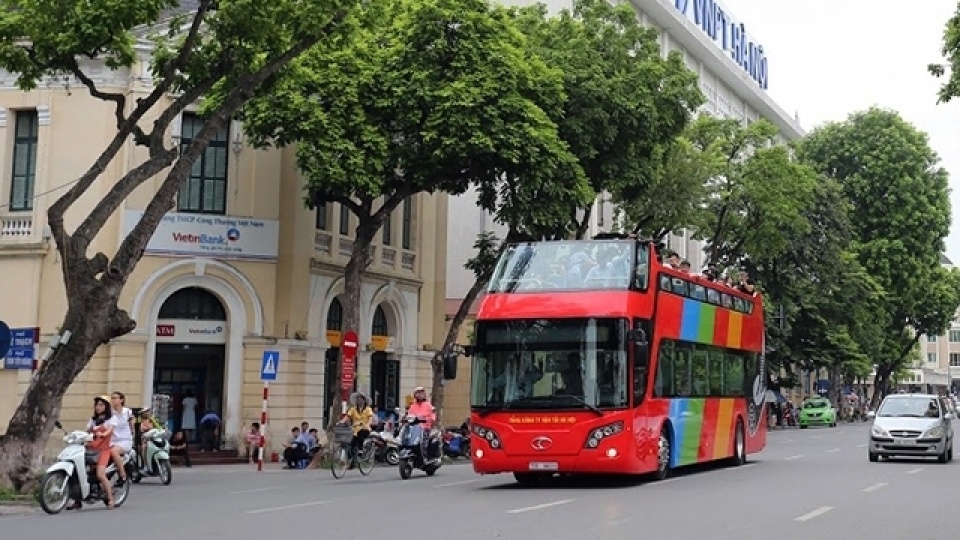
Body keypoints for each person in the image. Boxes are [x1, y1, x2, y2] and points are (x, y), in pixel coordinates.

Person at [71, 396, 115, 510]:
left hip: (103, 451)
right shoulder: (93, 420)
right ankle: (77, 501)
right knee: (78, 472)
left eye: (101, 405)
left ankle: (110, 499)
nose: (98, 407)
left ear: (106, 407)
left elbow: (109, 431)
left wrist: (103, 434)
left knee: (100, 474)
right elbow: (86, 430)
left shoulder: (111, 420)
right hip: (90, 450)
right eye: (97, 405)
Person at [406, 387, 440, 460]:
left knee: (424, 439)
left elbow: (433, 415)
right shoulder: (412, 406)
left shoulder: (428, 405)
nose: (420, 394)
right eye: (418, 393)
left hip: (425, 427)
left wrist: (428, 419)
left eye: (421, 392)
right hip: (414, 428)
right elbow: (409, 416)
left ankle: (425, 455)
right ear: (415, 395)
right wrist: (405, 419)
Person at [342, 392, 375, 467]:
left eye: (360, 399)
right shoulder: (353, 409)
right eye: (357, 399)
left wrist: (367, 424)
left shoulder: (368, 409)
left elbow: (370, 418)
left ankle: (360, 450)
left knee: (361, 434)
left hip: (364, 428)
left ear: (364, 400)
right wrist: (342, 421)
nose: (358, 400)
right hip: (354, 429)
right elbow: (347, 416)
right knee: (350, 443)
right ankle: (352, 460)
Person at [107, 392, 132, 485]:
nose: (113, 400)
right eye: (112, 398)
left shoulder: (127, 412)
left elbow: (131, 425)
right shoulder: (109, 413)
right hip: (112, 440)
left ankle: (122, 474)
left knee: (114, 451)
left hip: (124, 440)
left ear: (121, 400)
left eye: (115, 398)